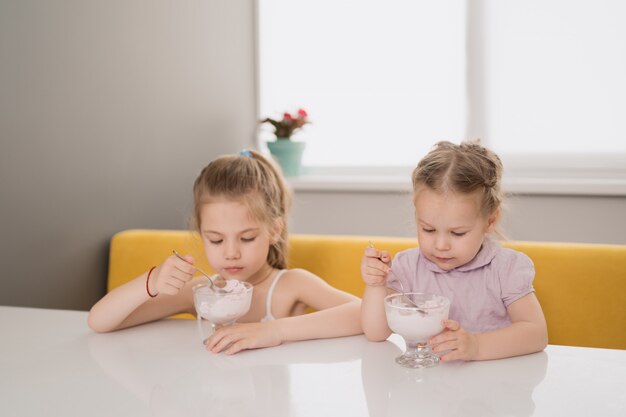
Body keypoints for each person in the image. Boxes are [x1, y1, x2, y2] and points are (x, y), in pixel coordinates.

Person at [88, 150, 362, 354]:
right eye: (216, 240)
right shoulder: (200, 295)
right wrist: (152, 282)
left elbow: (365, 314)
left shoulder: (291, 286)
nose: (231, 253)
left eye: (247, 238)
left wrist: (274, 330)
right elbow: (100, 321)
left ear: (275, 230)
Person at [360, 141, 548, 361]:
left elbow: (536, 333)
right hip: (429, 387)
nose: (441, 245)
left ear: (491, 220)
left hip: (492, 387)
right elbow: (376, 333)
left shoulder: (505, 268)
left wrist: (477, 346)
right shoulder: (408, 267)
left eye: (458, 233)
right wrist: (375, 286)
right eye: (428, 229)